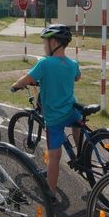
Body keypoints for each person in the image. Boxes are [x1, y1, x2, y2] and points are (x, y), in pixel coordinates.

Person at [10, 24, 81, 202]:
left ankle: (51, 193)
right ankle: (81, 154)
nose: (44, 46)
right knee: (77, 123)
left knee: (54, 157)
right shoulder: (72, 63)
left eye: (45, 42)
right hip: (71, 111)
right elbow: (77, 77)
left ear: (54, 42)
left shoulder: (45, 63)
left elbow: (28, 79)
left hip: (55, 118)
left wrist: (15, 86)